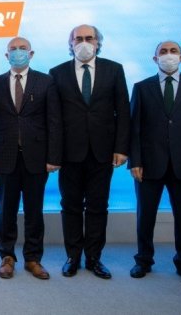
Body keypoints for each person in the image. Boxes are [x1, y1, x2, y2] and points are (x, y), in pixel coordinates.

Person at [49, 24, 130, 279]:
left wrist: (121, 148)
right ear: (71, 43)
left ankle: (94, 258)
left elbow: (123, 111)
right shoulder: (57, 73)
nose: (84, 43)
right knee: (70, 206)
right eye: (78, 39)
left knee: (98, 206)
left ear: (97, 42)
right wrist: (54, 154)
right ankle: (72, 256)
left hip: (102, 152)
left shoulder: (114, 70)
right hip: (69, 154)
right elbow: (54, 118)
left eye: (89, 38)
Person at [128, 41, 181, 285]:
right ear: (155, 59)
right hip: (149, 164)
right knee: (145, 216)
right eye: (163, 52)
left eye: (173, 51)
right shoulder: (141, 88)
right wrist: (135, 161)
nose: (168, 55)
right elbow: (134, 129)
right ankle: (143, 260)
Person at [0, 36, 62, 280]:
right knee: (6, 211)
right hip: (4, 157)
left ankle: (33, 258)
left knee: (34, 211)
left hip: (37, 157)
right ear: (6, 55)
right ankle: (7, 257)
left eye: (22, 48)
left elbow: (54, 121)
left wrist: (53, 156)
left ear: (31, 54)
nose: (17, 52)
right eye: (13, 49)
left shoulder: (46, 82)